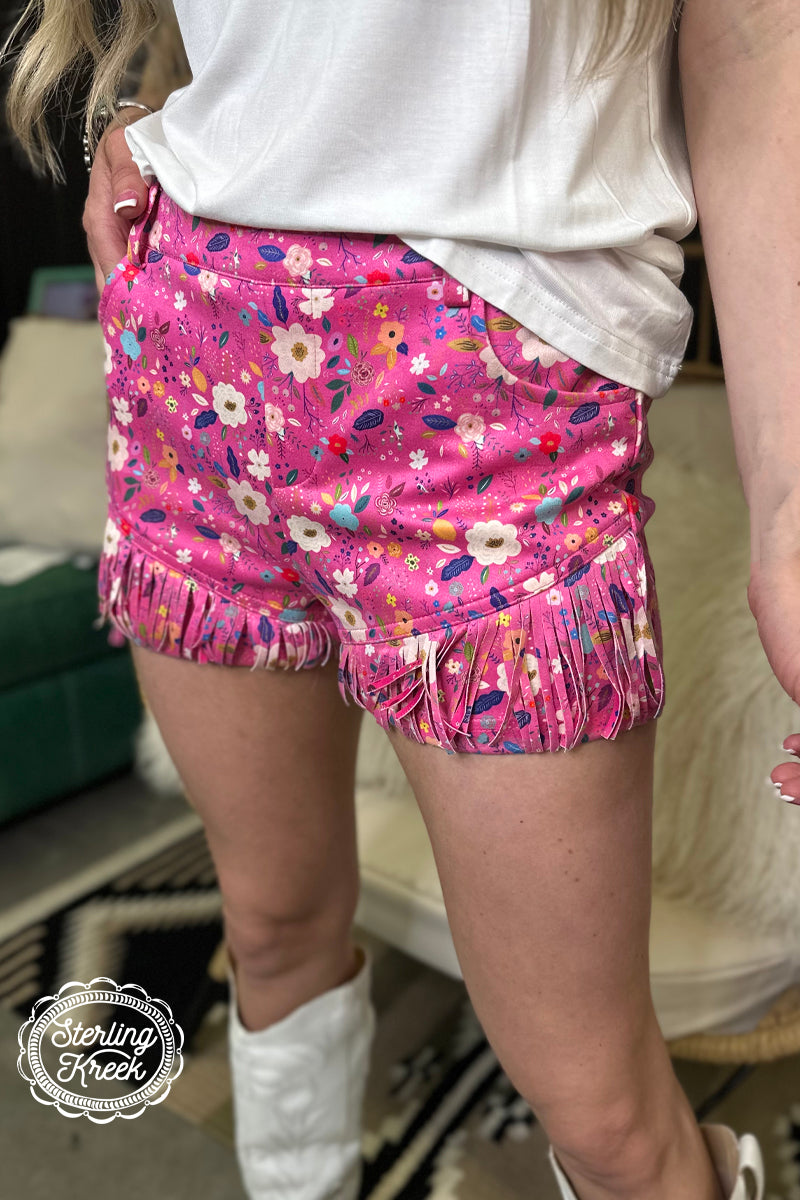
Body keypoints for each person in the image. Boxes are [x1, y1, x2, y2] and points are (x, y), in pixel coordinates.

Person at [5, 0, 796, 1196]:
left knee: (602, 1114)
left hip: (492, 375)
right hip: (192, 344)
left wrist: (787, 510)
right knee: (269, 931)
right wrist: (152, 103)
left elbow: (755, 40)